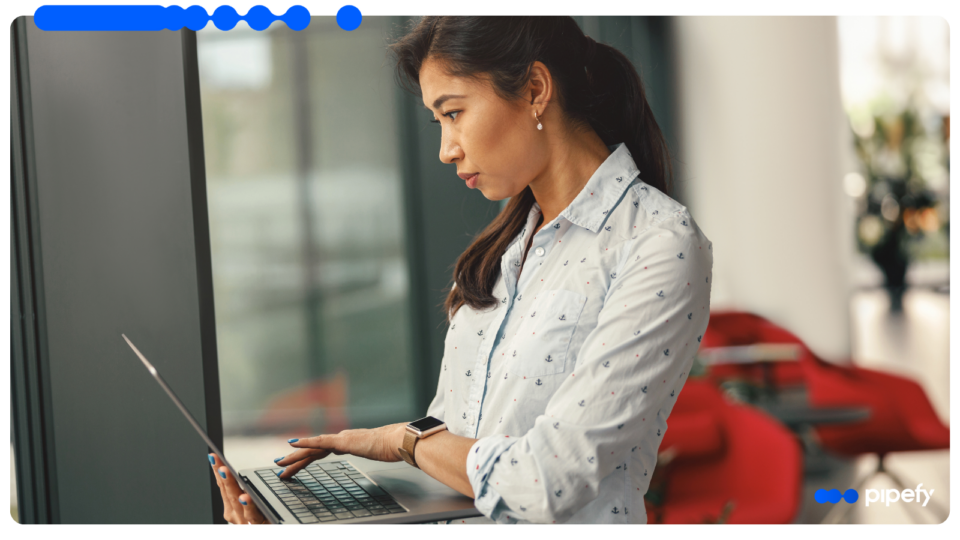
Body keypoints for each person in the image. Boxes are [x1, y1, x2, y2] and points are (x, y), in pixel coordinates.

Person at [211, 16, 712, 525]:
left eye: (454, 113)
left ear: (535, 89)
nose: (447, 149)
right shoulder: (501, 251)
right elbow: (454, 455)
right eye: (439, 121)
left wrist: (405, 440)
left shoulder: (658, 244)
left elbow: (546, 478)